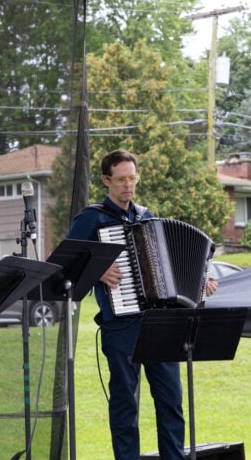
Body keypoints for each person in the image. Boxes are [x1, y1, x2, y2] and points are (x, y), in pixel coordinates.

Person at [66, 149, 216, 459]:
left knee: (171, 401)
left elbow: (172, 269)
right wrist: (97, 268)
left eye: (132, 178)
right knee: (125, 404)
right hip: (120, 326)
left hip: (159, 325)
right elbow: (65, 262)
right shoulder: (92, 218)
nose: (128, 186)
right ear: (107, 180)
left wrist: (201, 284)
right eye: (121, 180)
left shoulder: (147, 217)